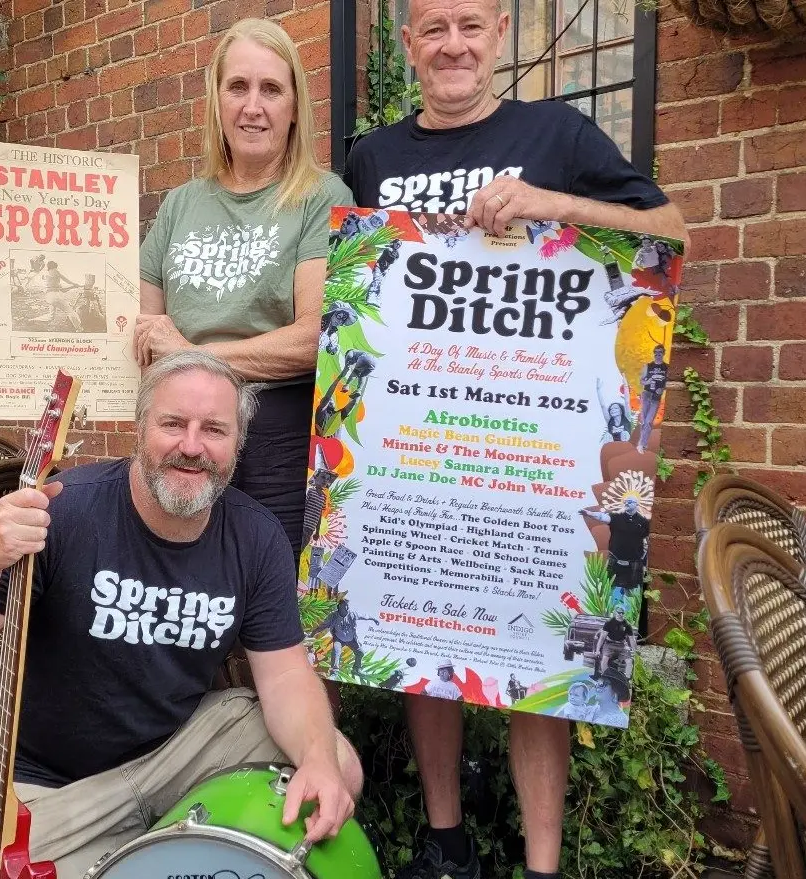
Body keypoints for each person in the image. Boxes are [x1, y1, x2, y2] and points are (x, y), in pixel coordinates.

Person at [341, 2, 688, 878]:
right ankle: (447, 844)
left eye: (469, 26)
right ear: (408, 44)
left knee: (540, 648)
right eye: (432, 29)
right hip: (418, 441)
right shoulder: (371, 160)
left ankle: (539, 865)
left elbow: (673, 231)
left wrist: (548, 204)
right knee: (418, 633)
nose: (451, 45)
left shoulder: (558, 133)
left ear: (499, 33)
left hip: (536, 447)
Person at [0, 350, 362, 879]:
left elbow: (284, 672)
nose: (192, 446)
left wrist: (317, 760)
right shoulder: (66, 511)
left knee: (338, 767)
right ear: (139, 427)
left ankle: (171, 844)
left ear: (238, 444)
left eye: (214, 429)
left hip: (178, 751)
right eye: (173, 424)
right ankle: (150, 850)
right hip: (61, 783)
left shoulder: (255, 535)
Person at [0, 18, 354, 557]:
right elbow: (119, 321)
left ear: (295, 105)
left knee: (265, 607)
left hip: (276, 444)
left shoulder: (322, 196)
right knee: (180, 603)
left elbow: (314, 341)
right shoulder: (183, 204)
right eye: (237, 87)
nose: (253, 106)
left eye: (271, 89)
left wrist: (193, 356)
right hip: (178, 446)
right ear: (216, 100)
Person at [580, 496, 651, 606]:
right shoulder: (617, 518)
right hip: (615, 561)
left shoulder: (643, 522)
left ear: (636, 505)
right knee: (613, 592)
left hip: (634, 563)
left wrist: (644, 559)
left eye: (630, 502)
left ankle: (628, 618)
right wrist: (590, 514)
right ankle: (614, 615)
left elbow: (649, 540)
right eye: (626, 502)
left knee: (632, 595)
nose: (627, 503)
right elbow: (603, 517)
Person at [594, 606, 637, 680]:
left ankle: (627, 679)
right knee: (604, 660)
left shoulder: (627, 625)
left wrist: (635, 652)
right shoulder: (609, 622)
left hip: (622, 645)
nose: (620, 614)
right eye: (618, 612)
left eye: (622, 613)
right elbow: (602, 637)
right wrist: (597, 650)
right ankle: (606, 676)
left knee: (629, 661)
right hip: (609, 644)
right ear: (615, 612)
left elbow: (632, 639)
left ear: (624, 614)